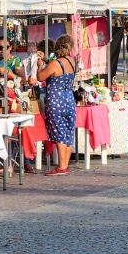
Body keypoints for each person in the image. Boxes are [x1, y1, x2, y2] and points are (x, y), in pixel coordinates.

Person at [37, 34, 77, 176]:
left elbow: (40, 77)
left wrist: (40, 65)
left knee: (59, 131)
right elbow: (58, 67)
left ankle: (61, 166)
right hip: (69, 99)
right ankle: (65, 165)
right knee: (68, 131)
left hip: (56, 101)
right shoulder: (72, 61)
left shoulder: (54, 64)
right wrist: (47, 60)